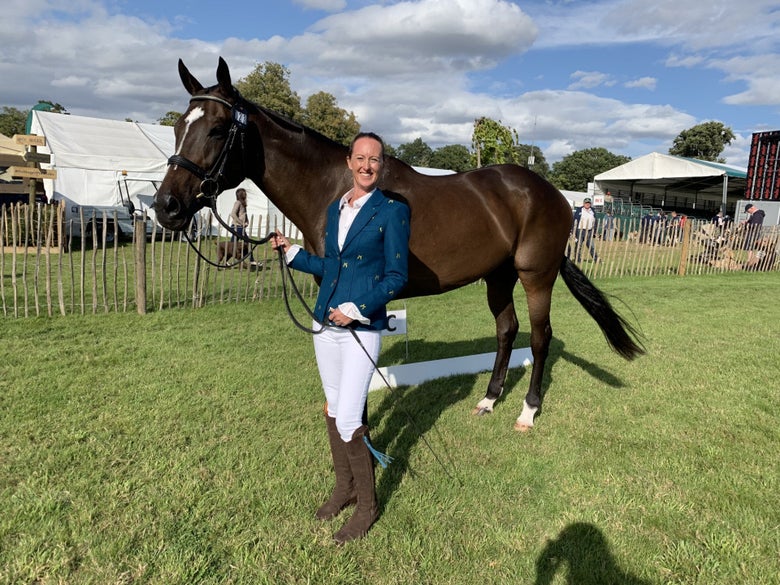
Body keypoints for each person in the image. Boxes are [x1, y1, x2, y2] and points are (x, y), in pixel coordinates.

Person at [271, 132, 410, 544]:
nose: (368, 165)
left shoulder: (391, 210)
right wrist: (295, 254)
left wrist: (356, 308)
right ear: (349, 161)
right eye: (361, 158)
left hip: (361, 330)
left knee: (351, 417)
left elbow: (397, 276)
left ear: (382, 166)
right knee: (332, 410)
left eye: (376, 160)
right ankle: (344, 489)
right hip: (324, 327)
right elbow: (333, 265)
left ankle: (368, 506)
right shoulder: (336, 209)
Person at [229, 187, 256, 264]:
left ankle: (226, 261)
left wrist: (247, 221)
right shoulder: (238, 203)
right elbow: (233, 214)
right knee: (248, 242)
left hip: (239, 227)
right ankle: (251, 260)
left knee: (232, 245)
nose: (246, 194)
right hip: (237, 227)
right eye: (244, 193)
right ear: (241, 195)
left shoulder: (243, 203)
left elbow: (244, 214)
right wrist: (242, 223)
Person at [572, 198, 599, 262]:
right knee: (579, 246)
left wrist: (594, 231)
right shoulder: (579, 210)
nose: (587, 204)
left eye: (589, 203)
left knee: (591, 246)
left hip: (589, 231)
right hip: (580, 230)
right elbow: (574, 221)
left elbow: (595, 221)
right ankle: (577, 259)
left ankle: (596, 260)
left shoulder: (592, 211)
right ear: (583, 203)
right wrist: (573, 231)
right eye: (586, 203)